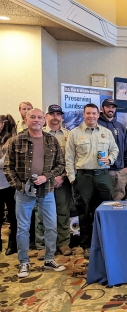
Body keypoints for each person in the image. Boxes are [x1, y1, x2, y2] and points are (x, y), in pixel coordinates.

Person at [4, 108, 66, 278]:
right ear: (26, 119)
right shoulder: (16, 141)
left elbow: (60, 164)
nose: (37, 120)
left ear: (44, 120)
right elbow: (8, 167)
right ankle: (24, 262)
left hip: (46, 191)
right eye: (33, 117)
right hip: (24, 193)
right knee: (23, 228)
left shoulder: (52, 141)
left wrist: (47, 177)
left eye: (39, 117)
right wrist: (18, 185)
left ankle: (49, 259)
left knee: (51, 226)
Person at [65, 103, 119, 259]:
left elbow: (115, 150)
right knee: (84, 212)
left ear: (98, 114)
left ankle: (105, 241)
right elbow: (68, 157)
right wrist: (72, 178)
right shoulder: (74, 133)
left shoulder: (106, 132)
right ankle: (86, 245)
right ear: (83, 114)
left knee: (106, 210)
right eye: (88, 113)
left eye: (94, 113)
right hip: (84, 177)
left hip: (103, 175)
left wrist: (109, 158)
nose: (91, 116)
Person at [35, 105, 73, 259]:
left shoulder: (69, 135)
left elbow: (71, 158)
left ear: (62, 117)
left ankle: (63, 243)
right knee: (41, 213)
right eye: (52, 114)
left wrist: (62, 176)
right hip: (43, 181)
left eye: (58, 114)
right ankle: (42, 245)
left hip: (61, 180)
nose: (55, 117)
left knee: (63, 211)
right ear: (46, 117)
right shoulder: (38, 134)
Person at [97, 98, 127, 200]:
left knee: (119, 199)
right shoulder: (97, 125)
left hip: (120, 171)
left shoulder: (121, 127)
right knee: (103, 199)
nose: (111, 109)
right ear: (102, 108)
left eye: (113, 107)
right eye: (108, 107)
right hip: (104, 171)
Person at [0, 114, 17, 255]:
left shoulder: (11, 140)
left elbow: (5, 163)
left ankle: (13, 242)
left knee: (13, 215)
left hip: (9, 184)